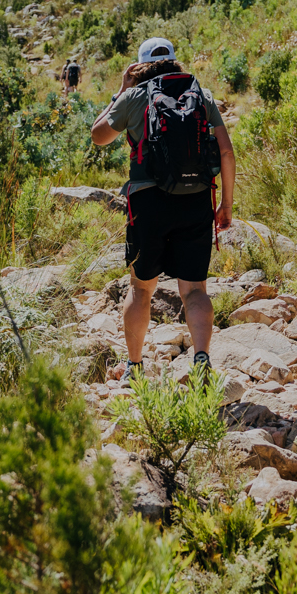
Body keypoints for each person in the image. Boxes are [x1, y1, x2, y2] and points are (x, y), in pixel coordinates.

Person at [91, 36, 238, 380]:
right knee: (195, 289)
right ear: (174, 61)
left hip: (148, 202)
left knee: (141, 288)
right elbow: (227, 152)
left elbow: (99, 136)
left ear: (139, 66)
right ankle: (201, 361)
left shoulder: (134, 96)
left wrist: (121, 90)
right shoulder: (200, 94)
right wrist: (226, 203)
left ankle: (134, 367)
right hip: (196, 199)